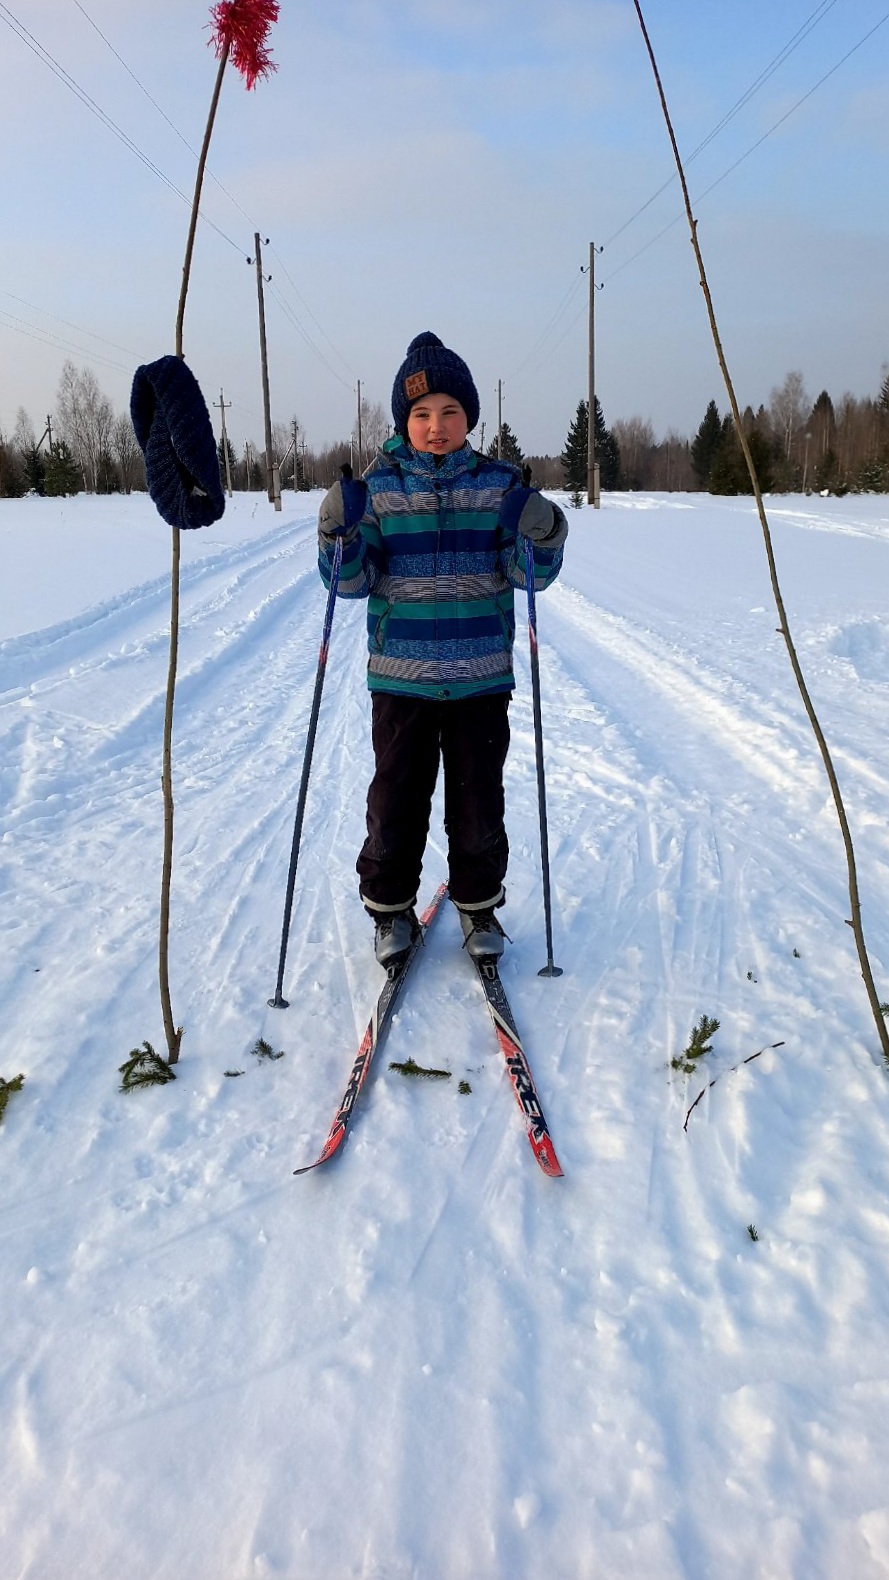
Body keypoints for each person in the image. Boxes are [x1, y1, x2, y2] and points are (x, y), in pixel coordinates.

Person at [317, 330, 568, 972]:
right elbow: (350, 584)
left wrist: (542, 535)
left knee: (478, 800)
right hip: (400, 680)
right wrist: (336, 534)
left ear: (470, 418)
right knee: (395, 799)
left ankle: (479, 906)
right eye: (422, 415)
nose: (436, 426)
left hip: (481, 680)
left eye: (450, 412)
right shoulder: (378, 489)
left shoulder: (499, 486)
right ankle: (390, 908)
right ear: (404, 421)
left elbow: (528, 575)